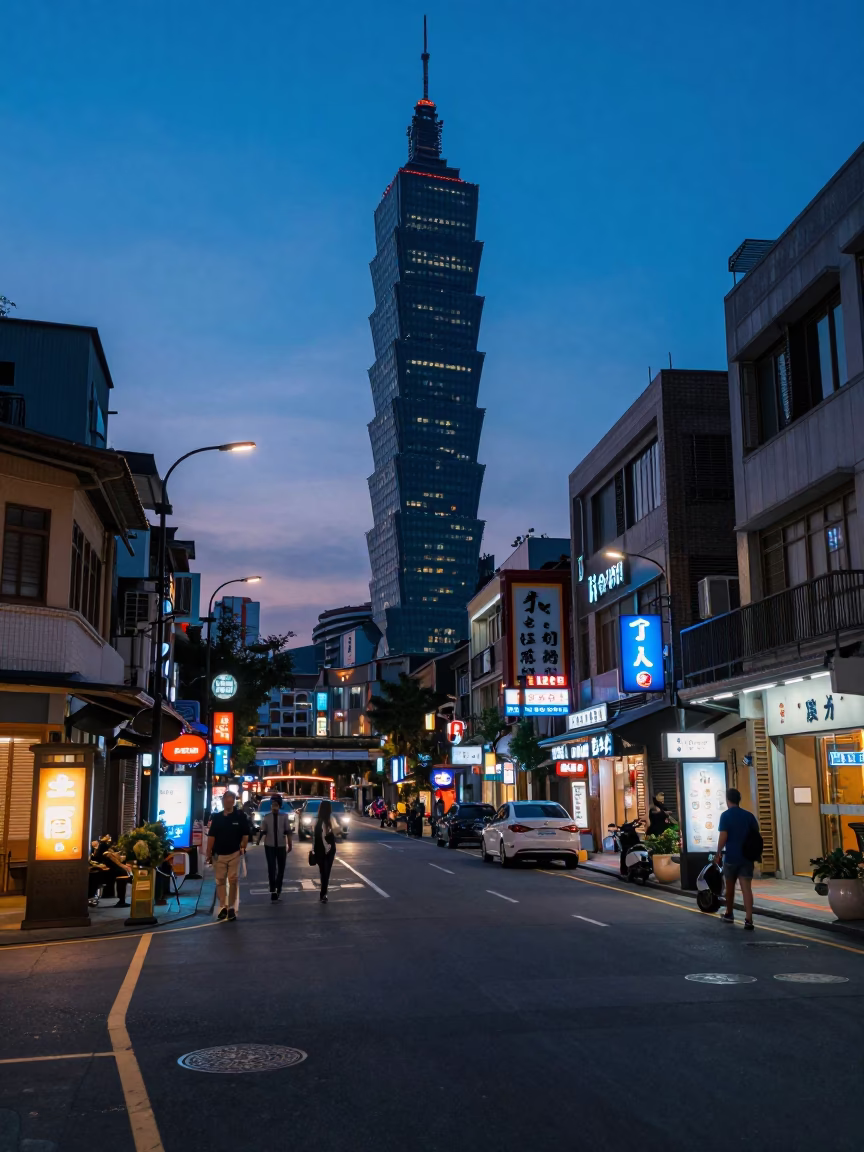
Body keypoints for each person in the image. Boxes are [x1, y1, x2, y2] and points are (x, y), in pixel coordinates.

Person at [714, 787, 759, 931]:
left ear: (728, 800)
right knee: (746, 888)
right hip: (747, 857)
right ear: (739, 800)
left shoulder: (725, 816)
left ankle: (729, 913)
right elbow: (755, 835)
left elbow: (723, 836)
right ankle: (749, 919)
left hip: (732, 857)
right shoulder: (749, 816)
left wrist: (718, 852)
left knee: (730, 887)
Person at [206, 791, 250, 922]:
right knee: (220, 880)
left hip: (234, 853)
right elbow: (211, 836)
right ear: (223, 801)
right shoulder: (217, 817)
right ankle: (223, 906)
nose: (229, 803)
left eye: (231, 800)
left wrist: (243, 846)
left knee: (233, 879)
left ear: (234, 801)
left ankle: (231, 907)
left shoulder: (240, 816)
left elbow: (245, 834)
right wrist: (209, 852)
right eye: (226, 800)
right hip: (219, 855)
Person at [257, 795, 293, 901]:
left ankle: (278, 890)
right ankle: (273, 890)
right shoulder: (267, 817)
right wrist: (258, 840)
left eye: (276, 805)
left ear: (279, 806)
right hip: (269, 846)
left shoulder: (284, 817)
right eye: (273, 805)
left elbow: (288, 832)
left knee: (281, 869)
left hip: (281, 845)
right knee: (271, 869)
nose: (274, 807)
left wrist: (290, 844)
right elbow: (263, 830)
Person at [313, 799, 337, 904]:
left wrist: (313, 849)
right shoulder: (330, 819)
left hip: (320, 849)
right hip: (328, 848)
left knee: (323, 871)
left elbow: (314, 836)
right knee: (326, 872)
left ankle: (323, 894)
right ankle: (323, 894)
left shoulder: (316, 820)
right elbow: (337, 830)